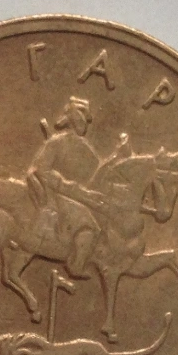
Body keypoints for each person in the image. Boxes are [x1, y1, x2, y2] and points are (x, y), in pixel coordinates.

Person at [27, 97, 105, 278]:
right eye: (81, 120)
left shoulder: (87, 150)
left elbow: (95, 175)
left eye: (85, 121)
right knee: (89, 224)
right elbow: (40, 170)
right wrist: (69, 187)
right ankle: (76, 265)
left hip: (81, 196)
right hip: (55, 194)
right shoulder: (55, 143)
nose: (84, 124)